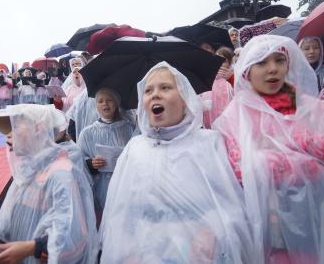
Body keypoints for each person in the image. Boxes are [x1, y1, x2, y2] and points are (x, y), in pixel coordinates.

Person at [99, 61, 254, 263]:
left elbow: (230, 208)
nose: (155, 94)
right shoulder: (134, 149)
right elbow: (118, 215)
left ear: (185, 99)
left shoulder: (208, 143)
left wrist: (211, 236)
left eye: (165, 87)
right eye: (148, 90)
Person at [213, 35, 324, 264]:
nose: (273, 69)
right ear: (246, 70)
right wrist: (297, 159)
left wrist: (302, 144)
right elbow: (237, 169)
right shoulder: (235, 115)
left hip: (314, 215)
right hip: (266, 223)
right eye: (262, 63)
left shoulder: (308, 106)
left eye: (279, 60)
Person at [0, 104, 97, 264]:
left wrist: (31, 248)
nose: (8, 136)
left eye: (16, 126)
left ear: (38, 129)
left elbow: (71, 234)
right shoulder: (28, 170)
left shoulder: (61, 174)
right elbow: (27, 214)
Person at [77, 88, 134, 225]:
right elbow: (79, 160)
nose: (105, 104)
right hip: (100, 187)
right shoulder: (87, 133)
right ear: (95, 105)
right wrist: (91, 164)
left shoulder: (130, 129)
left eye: (109, 100)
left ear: (116, 104)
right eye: (100, 101)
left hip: (125, 185)